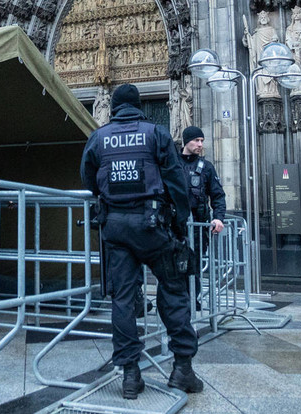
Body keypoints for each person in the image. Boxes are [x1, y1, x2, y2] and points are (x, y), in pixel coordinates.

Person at [81, 84, 202, 399]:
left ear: (114, 107)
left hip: (116, 229)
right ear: (138, 107)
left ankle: (131, 375)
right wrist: (180, 222)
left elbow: (88, 177)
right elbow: (176, 180)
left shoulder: (99, 138)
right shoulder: (156, 133)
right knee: (174, 288)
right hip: (151, 226)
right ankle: (182, 368)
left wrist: (108, 197)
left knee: (122, 299)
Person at [179, 126, 226, 305]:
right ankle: (178, 302)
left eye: (202, 141)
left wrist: (218, 217)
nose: (200, 144)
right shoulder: (172, 164)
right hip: (176, 225)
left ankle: (192, 299)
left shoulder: (206, 167)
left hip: (198, 226)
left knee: (194, 266)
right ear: (186, 141)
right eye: (196, 140)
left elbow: (218, 195)